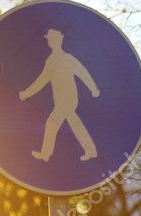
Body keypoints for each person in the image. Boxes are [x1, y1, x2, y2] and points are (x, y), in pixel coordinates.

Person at [19, 29, 100, 162]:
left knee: (54, 123)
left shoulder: (67, 58)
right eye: (49, 39)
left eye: (51, 39)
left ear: (57, 41)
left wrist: (93, 88)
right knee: (68, 122)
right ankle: (90, 150)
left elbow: (82, 72)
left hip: (69, 99)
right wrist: (26, 93)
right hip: (61, 100)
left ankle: (47, 154)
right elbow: (42, 80)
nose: (49, 41)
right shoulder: (51, 61)